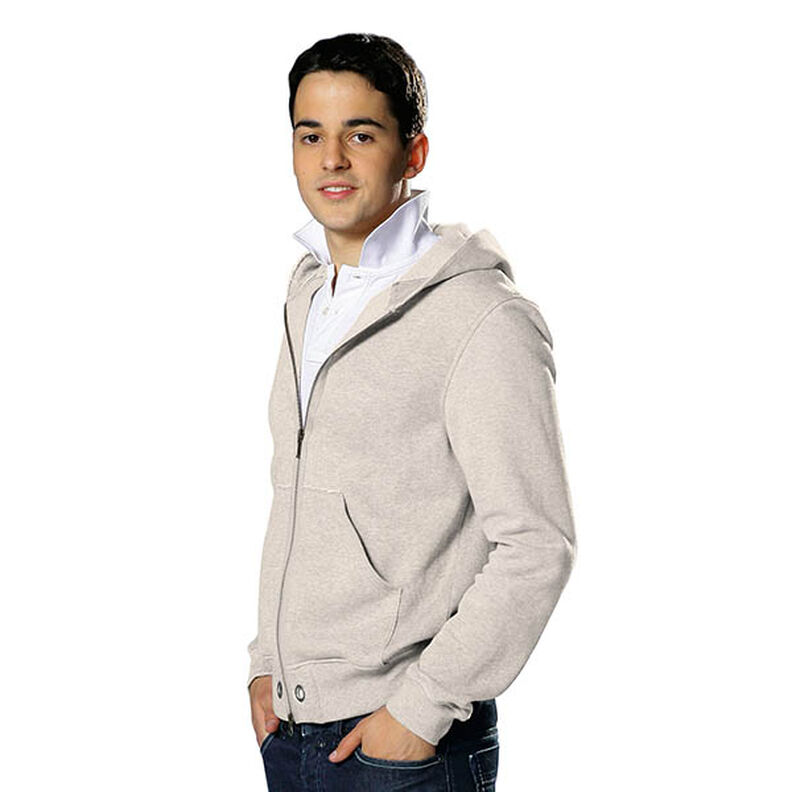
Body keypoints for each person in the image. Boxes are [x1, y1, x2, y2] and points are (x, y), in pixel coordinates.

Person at [246, 32, 576, 791]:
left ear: (413, 153)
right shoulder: (308, 293)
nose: (332, 160)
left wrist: (420, 712)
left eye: (360, 135)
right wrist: (266, 664)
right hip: (291, 729)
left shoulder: (482, 318)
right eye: (310, 135)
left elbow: (538, 543)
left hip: (399, 745)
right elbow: (297, 497)